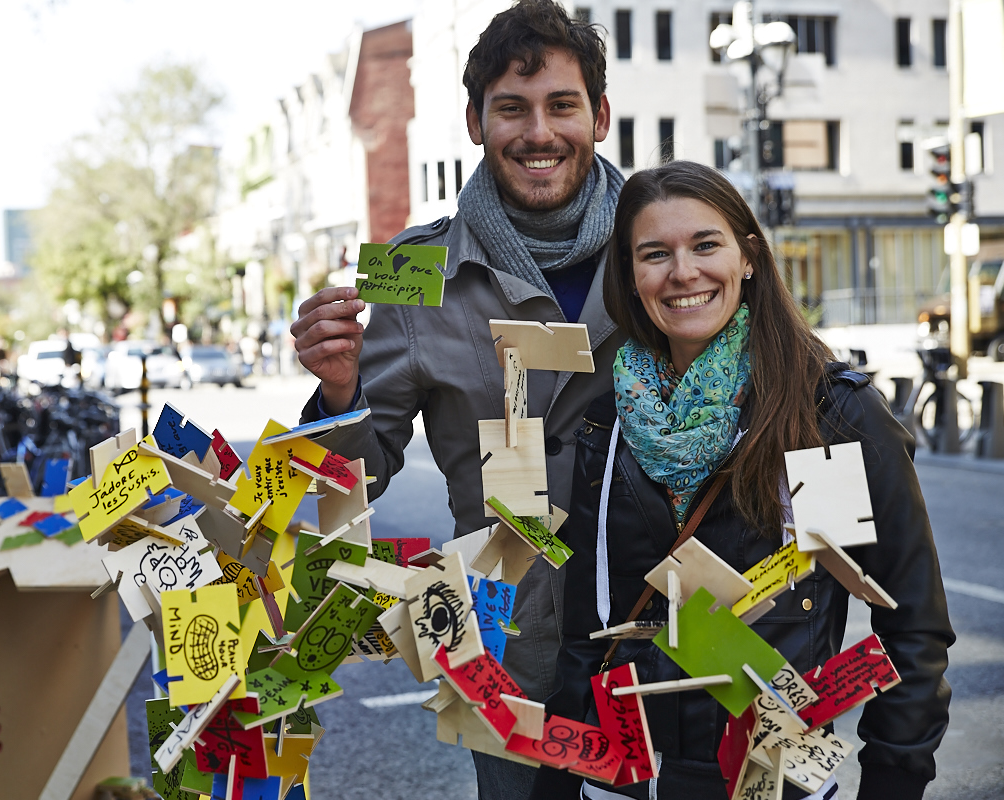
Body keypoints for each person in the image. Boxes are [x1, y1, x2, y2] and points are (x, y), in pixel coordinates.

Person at [534, 160, 954, 800]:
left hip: (771, 778)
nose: (683, 273)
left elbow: (912, 630)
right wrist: (560, 780)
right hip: (621, 779)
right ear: (631, 276)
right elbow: (587, 633)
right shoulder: (610, 421)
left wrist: (893, 782)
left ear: (748, 257)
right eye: (654, 254)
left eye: (706, 245)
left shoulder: (825, 416)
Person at [289, 1, 624, 795]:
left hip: (663, 610)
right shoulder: (414, 276)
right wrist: (337, 392)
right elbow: (358, 482)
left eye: (561, 105)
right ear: (475, 123)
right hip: (506, 633)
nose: (537, 131)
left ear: (600, 116)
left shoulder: (665, 243)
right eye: (511, 108)